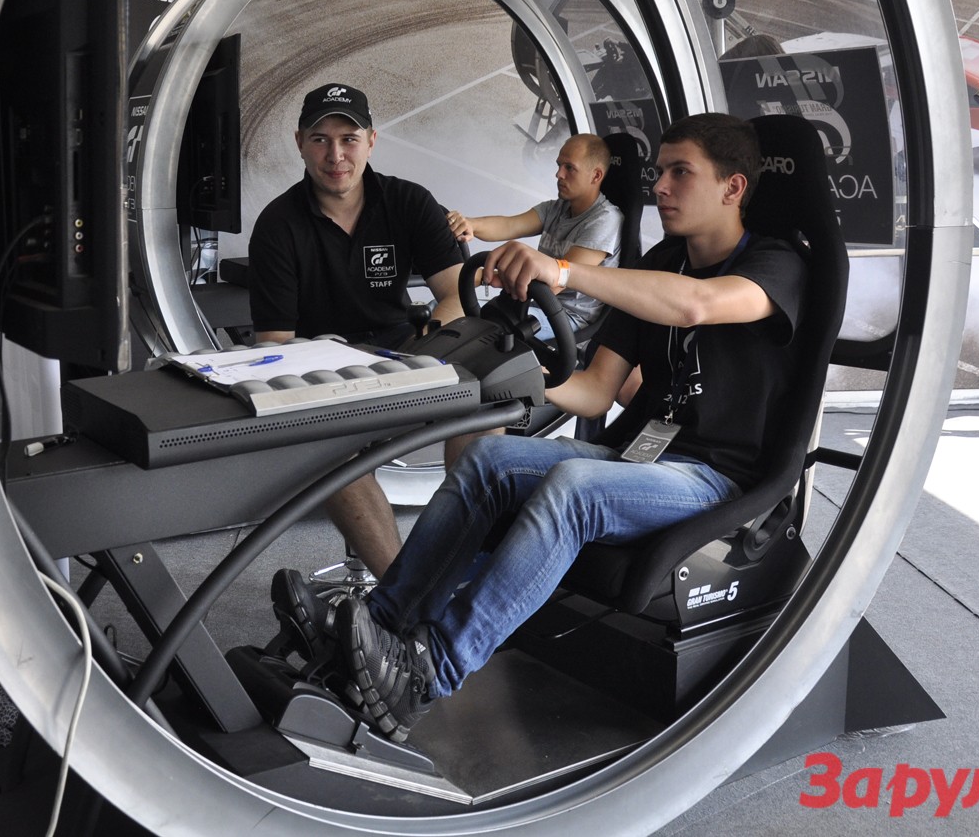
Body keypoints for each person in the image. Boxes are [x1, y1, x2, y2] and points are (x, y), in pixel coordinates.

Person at [270, 113, 809, 743]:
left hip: (714, 478)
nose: (660, 186)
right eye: (660, 171)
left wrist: (561, 270)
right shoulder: (663, 263)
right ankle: (383, 624)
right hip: (641, 460)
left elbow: (698, 306)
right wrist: (497, 372)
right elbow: (595, 389)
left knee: (574, 486)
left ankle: (429, 669)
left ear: (733, 187)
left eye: (680, 173)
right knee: (488, 462)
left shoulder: (777, 266)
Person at [249, 82, 466, 577]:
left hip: (405, 355)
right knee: (328, 450)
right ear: (300, 142)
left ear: (371, 140)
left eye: (348, 139)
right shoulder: (277, 225)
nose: (336, 155)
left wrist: (422, 351)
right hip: (324, 373)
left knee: (485, 410)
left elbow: (457, 295)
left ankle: (459, 565)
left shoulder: (409, 201)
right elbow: (275, 346)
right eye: (320, 140)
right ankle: (401, 595)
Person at [444, 132, 623, 339]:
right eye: (559, 165)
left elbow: (558, 282)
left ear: (596, 176)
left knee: (480, 330)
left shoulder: (605, 220)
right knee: (444, 312)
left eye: (569, 168)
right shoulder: (556, 208)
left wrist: (485, 276)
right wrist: (470, 224)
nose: (558, 174)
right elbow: (510, 225)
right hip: (532, 305)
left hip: (566, 317)